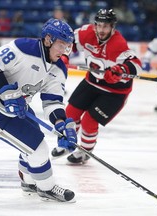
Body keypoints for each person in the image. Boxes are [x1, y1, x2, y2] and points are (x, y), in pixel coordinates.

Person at [0, 18, 77, 202]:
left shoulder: (58, 69)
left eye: (67, 46)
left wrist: (60, 123)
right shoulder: (22, 48)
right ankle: (47, 188)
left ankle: (29, 182)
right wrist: (6, 92)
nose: (64, 51)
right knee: (38, 148)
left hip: (17, 108)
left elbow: (52, 102)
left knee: (31, 141)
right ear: (48, 39)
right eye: (61, 44)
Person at [51, 9, 142, 164]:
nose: (101, 30)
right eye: (98, 25)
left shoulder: (118, 44)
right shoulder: (87, 32)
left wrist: (120, 70)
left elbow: (136, 65)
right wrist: (64, 56)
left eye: (105, 26)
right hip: (92, 82)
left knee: (89, 121)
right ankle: (67, 143)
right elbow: (68, 41)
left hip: (115, 91)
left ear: (113, 27)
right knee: (70, 113)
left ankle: (84, 152)